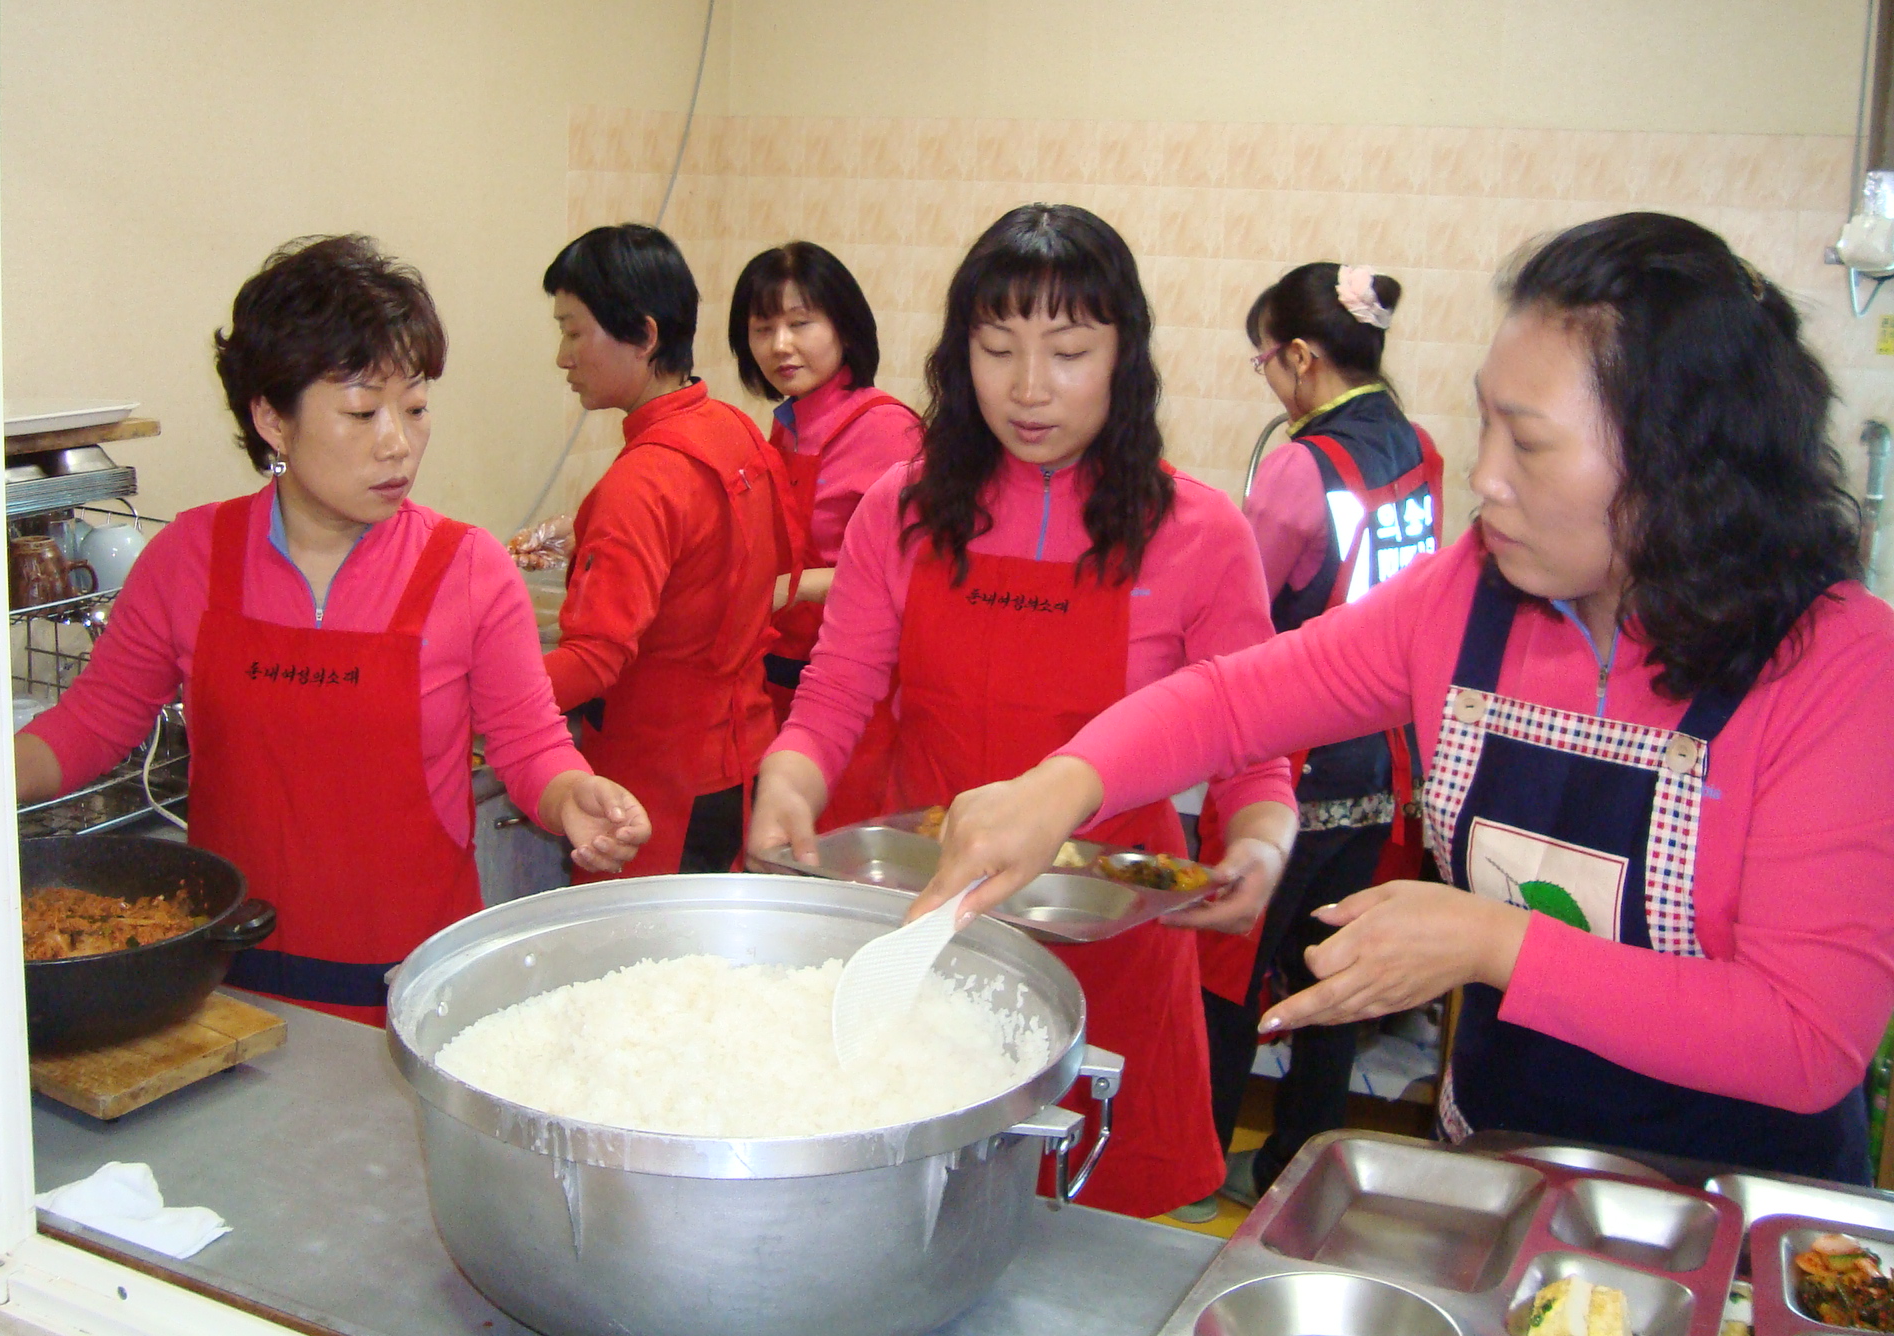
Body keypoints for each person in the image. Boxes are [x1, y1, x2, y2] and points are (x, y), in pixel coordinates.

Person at [915, 213, 1894, 1182]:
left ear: (1679, 459)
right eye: (1483, 424)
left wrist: (1494, 942)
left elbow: (1806, 1038)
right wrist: (1061, 787)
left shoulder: (1838, 664)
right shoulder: (1470, 598)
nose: (1484, 478)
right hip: (1508, 1169)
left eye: (1528, 443)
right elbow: (1231, 701)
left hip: (1742, 1210)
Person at [749, 204, 1298, 1217]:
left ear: (1124, 356)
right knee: (925, 1222)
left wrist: (1261, 848)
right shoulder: (902, 510)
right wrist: (788, 777)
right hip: (933, 928)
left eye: (1069, 352)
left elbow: (1253, 744)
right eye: (997, 349)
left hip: (1114, 938)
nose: (1029, 387)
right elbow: (835, 690)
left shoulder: (1198, 531)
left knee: (1099, 1247)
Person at [14, 235, 648, 1024]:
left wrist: (571, 794)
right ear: (272, 418)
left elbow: (528, 744)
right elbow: (93, 723)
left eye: (415, 408)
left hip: (411, 986)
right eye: (361, 412)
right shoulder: (190, 558)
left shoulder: (468, 568)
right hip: (226, 979)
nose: (398, 443)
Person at [1201, 262, 1445, 1205]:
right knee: (1340, 977)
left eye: (1265, 360)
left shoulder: (1301, 467)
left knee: (1229, 969)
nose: (1269, 380)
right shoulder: (1420, 449)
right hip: (1386, 757)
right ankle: (1297, 1173)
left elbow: (1240, 610)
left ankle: (1198, 1162)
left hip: (1296, 760)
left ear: (1302, 357)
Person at [535, 224, 799, 880]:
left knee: (639, 941)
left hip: (660, 781)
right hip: (741, 756)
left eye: (573, 332)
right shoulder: (732, 428)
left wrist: (476, 696)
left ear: (645, 335)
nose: (563, 358)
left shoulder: (643, 480)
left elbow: (594, 659)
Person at [727, 241, 921, 824]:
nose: (779, 345)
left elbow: (904, 578)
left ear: (844, 325)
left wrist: (774, 590)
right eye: (763, 328)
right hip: (782, 681)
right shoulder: (787, 425)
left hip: (858, 698)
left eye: (800, 323)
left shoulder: (888, 430)